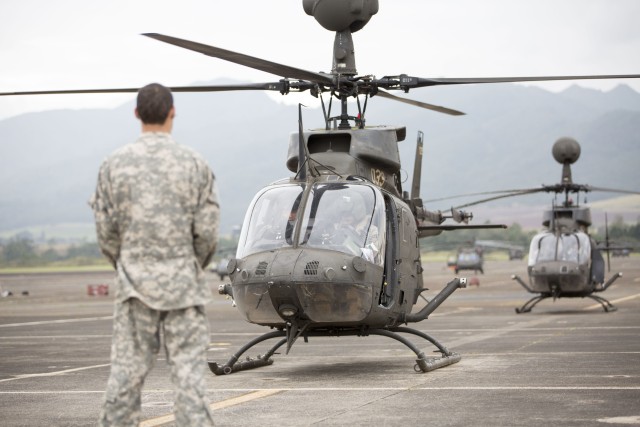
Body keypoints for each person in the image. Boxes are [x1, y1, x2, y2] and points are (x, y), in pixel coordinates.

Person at [90, 83, 219, 427]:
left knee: (125, 378)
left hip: (134, 286)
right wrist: (191, 264)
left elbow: (105, 231)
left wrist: (126, 262)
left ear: (136, 114)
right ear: (172, 112)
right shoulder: (193, 162)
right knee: (190, 380)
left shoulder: (113, 164)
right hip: (183, 287)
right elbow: (207, 231)